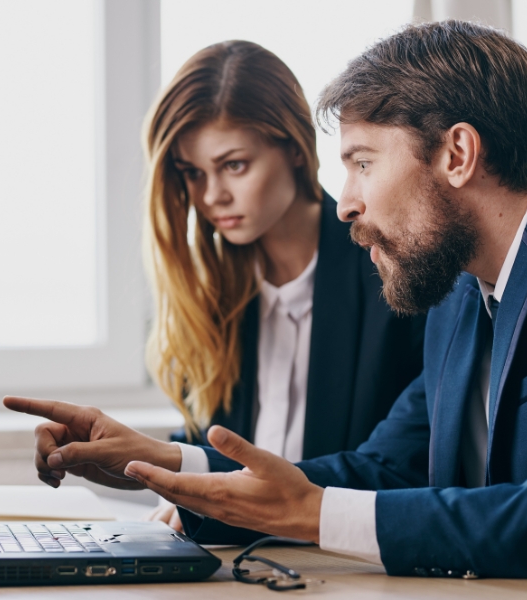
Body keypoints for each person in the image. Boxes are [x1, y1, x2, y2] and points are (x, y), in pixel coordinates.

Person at [4, 21, 527, 595]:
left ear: (457, 155)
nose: (345, 202)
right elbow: (385, 468)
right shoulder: (462, 292)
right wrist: (172, 472)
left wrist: (313, 515)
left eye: (363, 163)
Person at [132, 40, 424, 529]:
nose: (211, 195)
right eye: (192, 173)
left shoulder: (394, 275)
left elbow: (399, 469)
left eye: (234, 165)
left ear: (293, 146)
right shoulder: (210, 296)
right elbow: (211, 445)